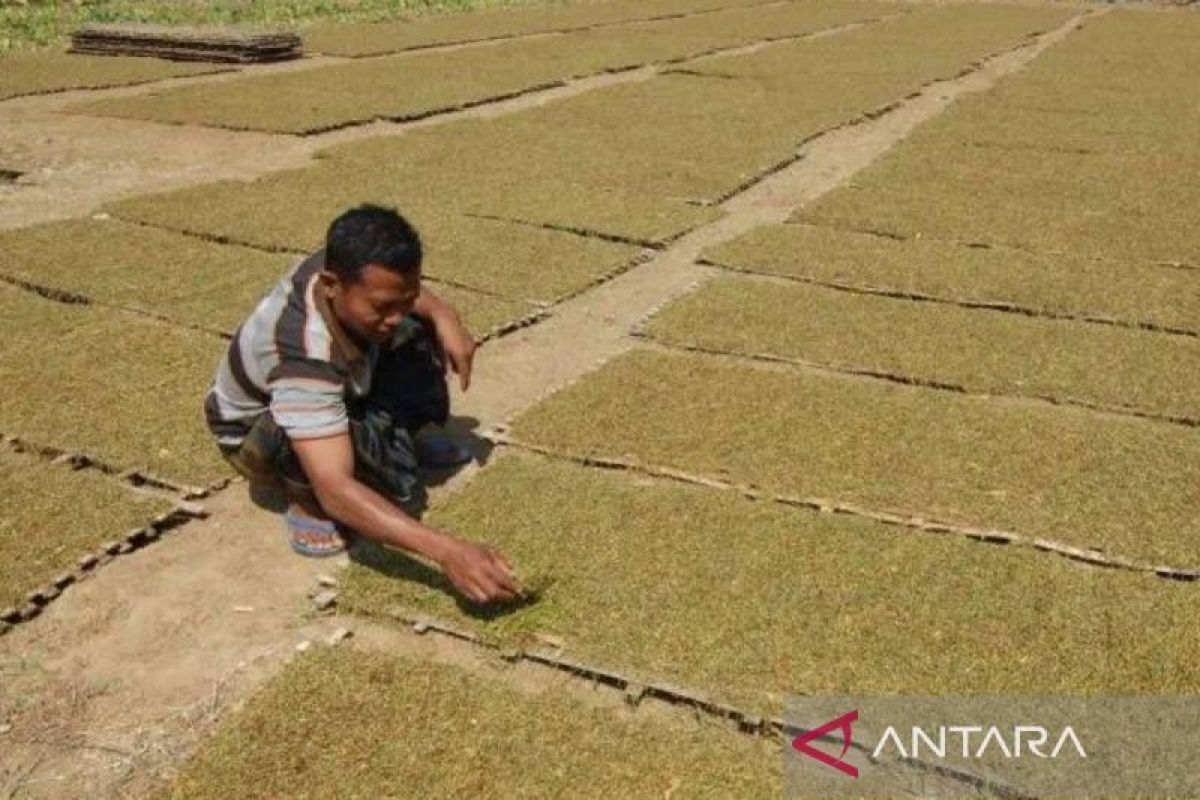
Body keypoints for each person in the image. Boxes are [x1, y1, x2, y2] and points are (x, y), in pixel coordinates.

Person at [203, 204, 520, 605]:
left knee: (414, 331)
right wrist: (448, 551)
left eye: (403, 299)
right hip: (257, 434)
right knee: (346, 478)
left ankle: (392, 439)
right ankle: (304, 500)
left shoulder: (340, 266)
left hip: (331, 383)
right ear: (333, 284)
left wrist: (443, 315)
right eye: (381, 307)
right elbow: (337, 487)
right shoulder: (303, 357)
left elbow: (403, 293)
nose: (393, 316)